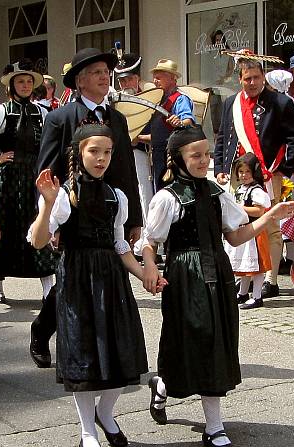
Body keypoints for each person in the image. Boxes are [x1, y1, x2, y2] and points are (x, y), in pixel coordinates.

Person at [141, 125, 294, 447]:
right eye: (196, 155)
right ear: (178, 159)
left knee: (215, 343)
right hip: (184, 276)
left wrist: (271, 214)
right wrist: (151, 268)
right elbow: (151, 243)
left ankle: (211, 424)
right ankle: (169, 386)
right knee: (187, 338)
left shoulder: (217, 193)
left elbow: (237, 236)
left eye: (207, 155)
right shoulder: (167, 198)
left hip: (218, 273)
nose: (203, 161)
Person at [28, 123, 148, 447]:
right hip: (77, 280)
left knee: (118, 350)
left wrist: (144, 275)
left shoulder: (117, 195)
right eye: (94, 151)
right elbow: (37, 240)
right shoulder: (63, 194)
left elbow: (120, 245)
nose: (101, 158)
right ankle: (87, 430)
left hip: (111, 280)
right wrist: (48, 205)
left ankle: (106, 413)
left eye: (107, 152)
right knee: (84, 355)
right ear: (79, 153)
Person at [31, 47, 143, 369]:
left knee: (102, 275)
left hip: (108, 208)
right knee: (71, 276)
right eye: (95, 72)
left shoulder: (117, 120)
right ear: (79, 82)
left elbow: (125, 171)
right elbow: (46, 171)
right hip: (71, 208)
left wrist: (133, 217)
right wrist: (49, 214)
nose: (104, 76)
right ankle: (42, 329)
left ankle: (102, 346)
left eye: (106, 71)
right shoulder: (59, 118)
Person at [214, 53, 294, 299]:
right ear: (240, 80)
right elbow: (223, 137)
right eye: (247, 79)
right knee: (239, 224)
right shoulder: (231, 103)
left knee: (271, 227)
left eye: (256, 77)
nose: (252, 83)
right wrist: (221, 168)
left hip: (268, 173)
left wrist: (283, 169)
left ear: (263, 77)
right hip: (239, 174)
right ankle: (244, 275)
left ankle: (271, 279)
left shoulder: (279, 102)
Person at [0, 60, 57, 304]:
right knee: (3, 227)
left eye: (29, 81)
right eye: (21, 81)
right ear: (11, 86)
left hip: (33, 178)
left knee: (39, 223)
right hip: (6, 180)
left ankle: (47, 286)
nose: (26, 85)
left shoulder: (42, 112)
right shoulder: (0, 112)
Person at [225, 153, 272, 309]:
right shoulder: (239, 189)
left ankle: (257, 296)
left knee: (256, 266)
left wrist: (240, 208)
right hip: (242, 232)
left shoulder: (256, 191)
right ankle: (243, 293)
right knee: (244, 266)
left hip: (254, 232)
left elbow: (260, 211)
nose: (243, 175)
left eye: (247, 172)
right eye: (241, 172)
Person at [141, 59, 195, 193]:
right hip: (158, 155)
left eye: (158, 78)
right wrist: (139, 138)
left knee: (173, 193)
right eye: (154, 78)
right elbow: (159, 135)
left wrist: (180, 122)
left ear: (172, 78)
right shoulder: (159, 100)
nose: (155, 81)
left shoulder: (180, 98)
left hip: (173, 157)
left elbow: (188, 120)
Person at [114, 52, 156, 219]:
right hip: (121, 153)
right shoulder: (115, 100)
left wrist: (138, 138)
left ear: (137, 78)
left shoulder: (150, 98)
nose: (125, 84)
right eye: (122, 81)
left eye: (129, 79)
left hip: (142, 152)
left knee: (144, 191)